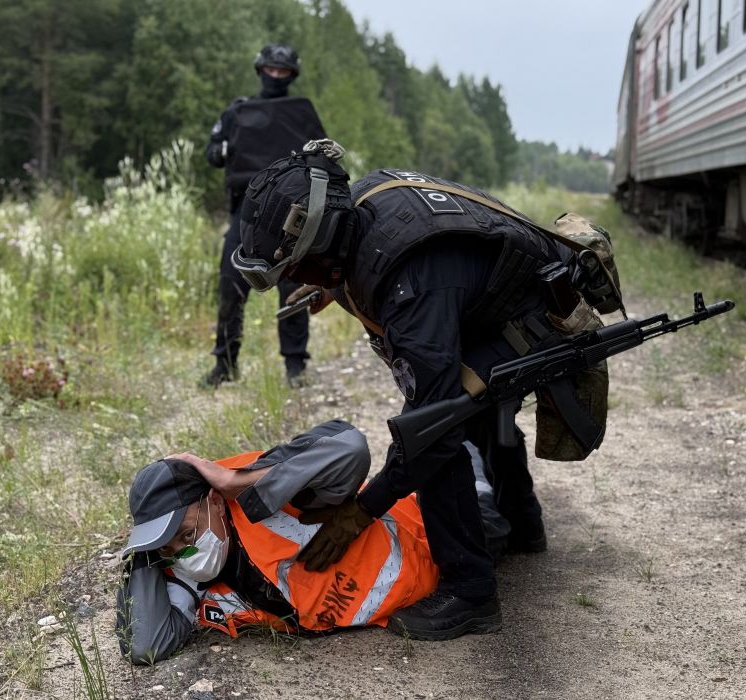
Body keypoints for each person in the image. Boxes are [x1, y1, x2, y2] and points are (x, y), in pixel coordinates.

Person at [228, 139, 618, 641]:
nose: (291, 280)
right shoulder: (366, 201)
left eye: (295, 268)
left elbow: (430, 428)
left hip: (542, 316)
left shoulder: (409, 288)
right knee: (472, 402)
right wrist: (332, 285)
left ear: (322, 246)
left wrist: (362, 510)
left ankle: (471, 594)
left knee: (435, 433)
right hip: (507, 299)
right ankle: (523, 525)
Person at [115, 420, 512, 664]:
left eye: (186, 534)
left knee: (482, 497)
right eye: (168, 547)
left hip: (433, 538)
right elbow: (145, 645)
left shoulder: (262, 498)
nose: (184, 553)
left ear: (215, 502)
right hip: (415, 588)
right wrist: (146, 552)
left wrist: (237, 481)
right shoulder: (185, 574)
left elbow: (349, 446)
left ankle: (470, 437)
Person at [201, 44, 327, 389]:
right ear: (260, 70)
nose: (276, 75)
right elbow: (212, 153)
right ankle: (225, 364)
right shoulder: (237, 112)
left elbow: (324, 158)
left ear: (292, 75)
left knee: (293, 285)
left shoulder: (301, 113)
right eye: (271, 69)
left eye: (282, 71)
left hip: (291, 214)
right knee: (231, 283)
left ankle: (295, 366)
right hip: (246, 212)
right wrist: (223, 149)